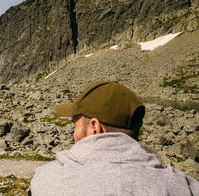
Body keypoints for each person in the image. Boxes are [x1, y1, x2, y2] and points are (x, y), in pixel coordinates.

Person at [29, 81, 199, 195]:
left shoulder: (46, 180)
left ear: (94, 127)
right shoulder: (185, 186)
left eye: (76, 125)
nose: (73, 134)